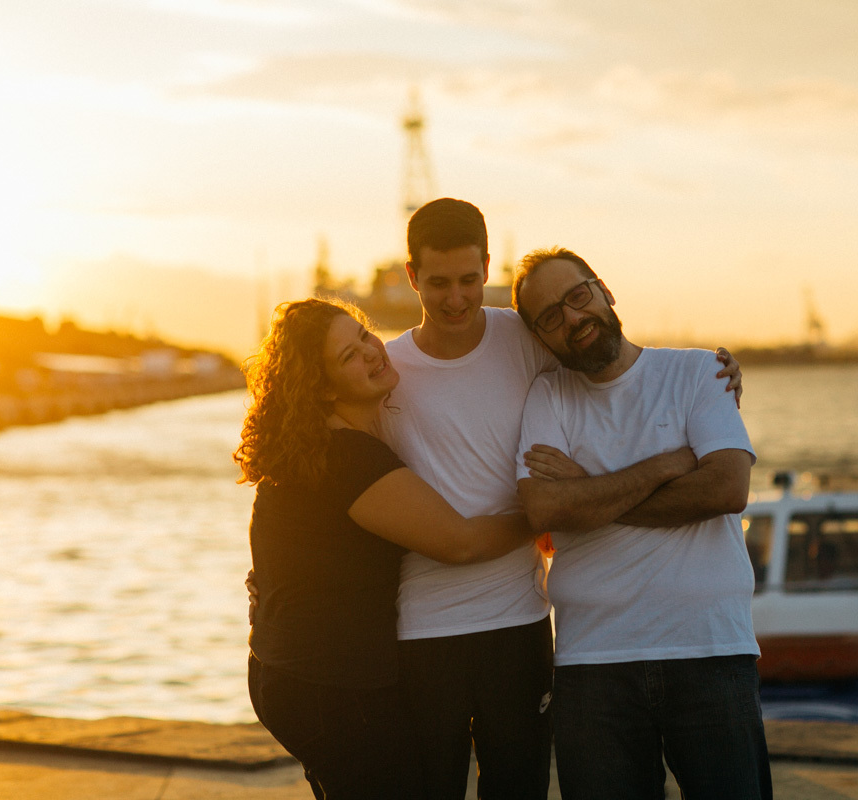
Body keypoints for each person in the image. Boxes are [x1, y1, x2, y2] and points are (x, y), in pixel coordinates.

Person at [248, 198, 744, 799]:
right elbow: (320, 467)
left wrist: (707, 375)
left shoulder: (525, 337)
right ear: (412, 277)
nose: (456, 298)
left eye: (468, 279)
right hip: (419, 631)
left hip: (519, 623)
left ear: (487, 267)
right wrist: (556, 507)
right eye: (438, 283)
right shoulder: (385, 370)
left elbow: (612, 363)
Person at [235, 297, 536, 799]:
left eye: (363, 336)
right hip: (329, 685)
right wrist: (543, 516)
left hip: (286, 671)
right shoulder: (349, 456)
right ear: (323, 387)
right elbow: (458, 542)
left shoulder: (309, 446)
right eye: (348, 356)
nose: (372, 352)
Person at [512, 247, 772, 800]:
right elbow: (546, 509)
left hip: (709, 648)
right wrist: (664, 467)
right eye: (551, 317)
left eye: (577, 296)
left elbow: (726, 489)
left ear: (603, 289)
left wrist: (588, 488)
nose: (573, 318)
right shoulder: (547, 397)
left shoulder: (698, 372)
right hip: (592, 662)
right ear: (539, 338)